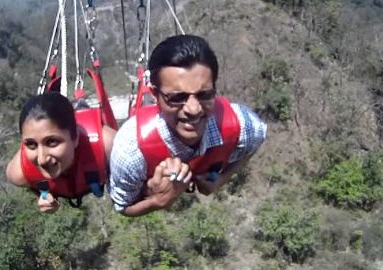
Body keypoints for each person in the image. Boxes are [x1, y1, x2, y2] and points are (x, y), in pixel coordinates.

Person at [109, 34, 266, 216]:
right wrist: (158, 201)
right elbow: (122, 206)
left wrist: (221, 179)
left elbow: (258, 137)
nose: (193, 109)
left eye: (204, 95)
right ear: (154, 94)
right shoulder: (130, 151)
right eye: (177, 97)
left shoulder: (242, 124)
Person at [7, 92, 116, 213]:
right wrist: (42, 196)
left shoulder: (109, 144)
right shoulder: (19, 173)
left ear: (75, 137)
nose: (42, 159)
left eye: (52, 142)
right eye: (31, 144)